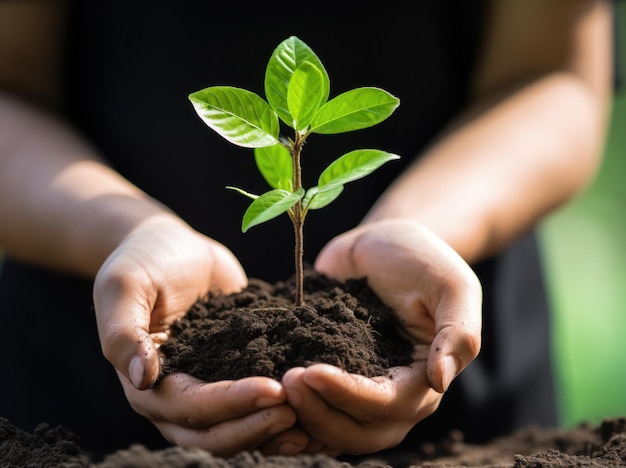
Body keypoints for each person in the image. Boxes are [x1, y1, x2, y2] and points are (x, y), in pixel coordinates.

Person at [0, 0, 615, 460]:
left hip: (444, 392)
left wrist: (418, 227)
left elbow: (553, 75)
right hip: (84, 398)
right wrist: (125, 230)